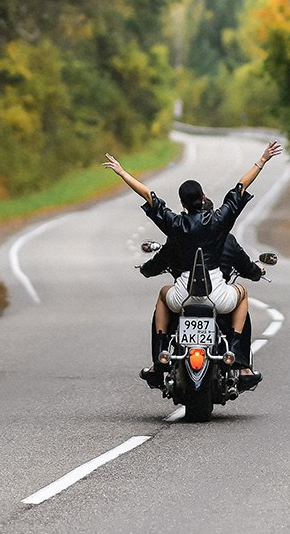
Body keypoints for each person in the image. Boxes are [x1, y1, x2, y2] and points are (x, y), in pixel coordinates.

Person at [104, 139, 280, 381]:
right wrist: (262, 160)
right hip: (218, 294)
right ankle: (240, 358)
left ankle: (159, 358)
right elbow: (239, 187)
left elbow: (148, 195)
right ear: (203, 197)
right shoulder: (219, 221)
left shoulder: (175, 225)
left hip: (183, 296)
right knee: (242, 293)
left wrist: (122, 172)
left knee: (163, 293)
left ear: (183, 204)